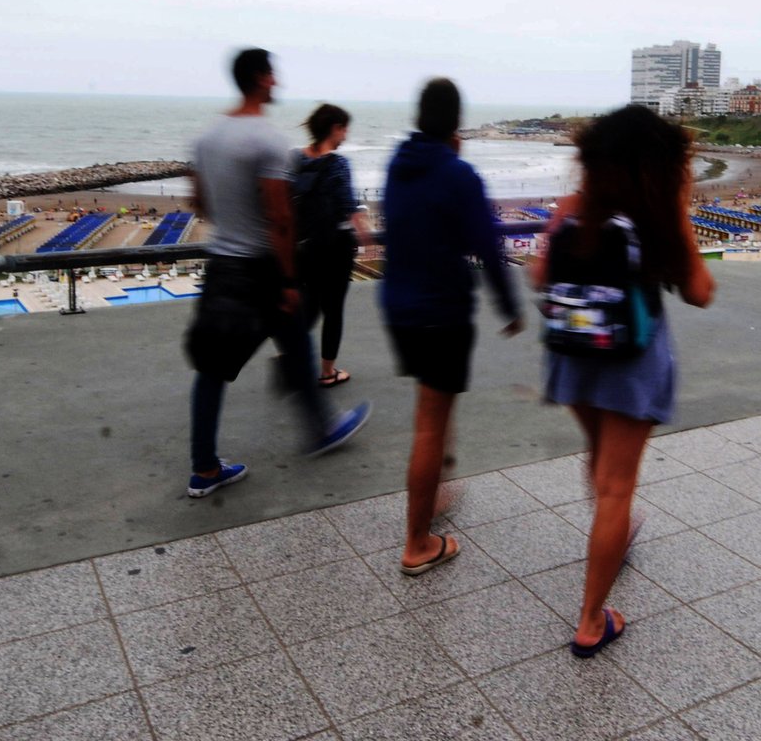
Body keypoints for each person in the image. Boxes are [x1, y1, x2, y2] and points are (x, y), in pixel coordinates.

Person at [534, 105, 715, 656]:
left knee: (598, 457)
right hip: (632, 362)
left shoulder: (573, 208)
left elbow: (540, 276)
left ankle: (613, 535)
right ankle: (592, 621)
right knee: (617, 487)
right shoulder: (660, 214)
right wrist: (679, 218)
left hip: (573, 355)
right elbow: (700, 292)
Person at [183, 48, 370, 498]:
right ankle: (322, 428)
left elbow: (200, 203)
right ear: (263, 79)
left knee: (216, 367)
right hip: (261, 269)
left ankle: (205, 468)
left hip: (222, 265)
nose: (278, 82)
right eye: (274, 75)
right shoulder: (265, 141)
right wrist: (287, 280)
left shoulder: (206, 139)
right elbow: (281, 218)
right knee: (293, 337)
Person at [380, 78, 522, 575]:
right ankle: (417, 543)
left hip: (398, 307)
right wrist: (509, 307)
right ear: (456, 122)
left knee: (435, 407)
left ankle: (434, 491)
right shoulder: (458, 173)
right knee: (430, 424)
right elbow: (487, 245)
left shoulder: (398, 165)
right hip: (440, 312)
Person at [292, 103, 367, 387]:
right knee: (333, 309)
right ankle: (327, 372)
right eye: (344, 129)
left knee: (309, 303)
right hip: (335, 247)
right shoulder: (338, 164)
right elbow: (348, 206)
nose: (346, 135)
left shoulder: (295, 159)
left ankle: (292, 351)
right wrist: (364, 233)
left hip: (305, 246)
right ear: (335, 129)